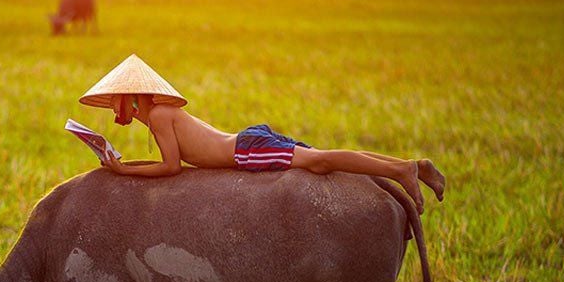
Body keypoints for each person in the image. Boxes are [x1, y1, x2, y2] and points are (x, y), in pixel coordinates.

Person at [79, 54, 445, 213]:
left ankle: (402, 170)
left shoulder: (159, 115)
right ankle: (408, 165)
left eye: (114, 100)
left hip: (245, 152)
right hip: (247, 141)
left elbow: (172, 167)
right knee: (320, 158)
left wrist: (124, 170)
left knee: (319, 161)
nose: (112, 108)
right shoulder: (159, 115)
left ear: (130, 97)